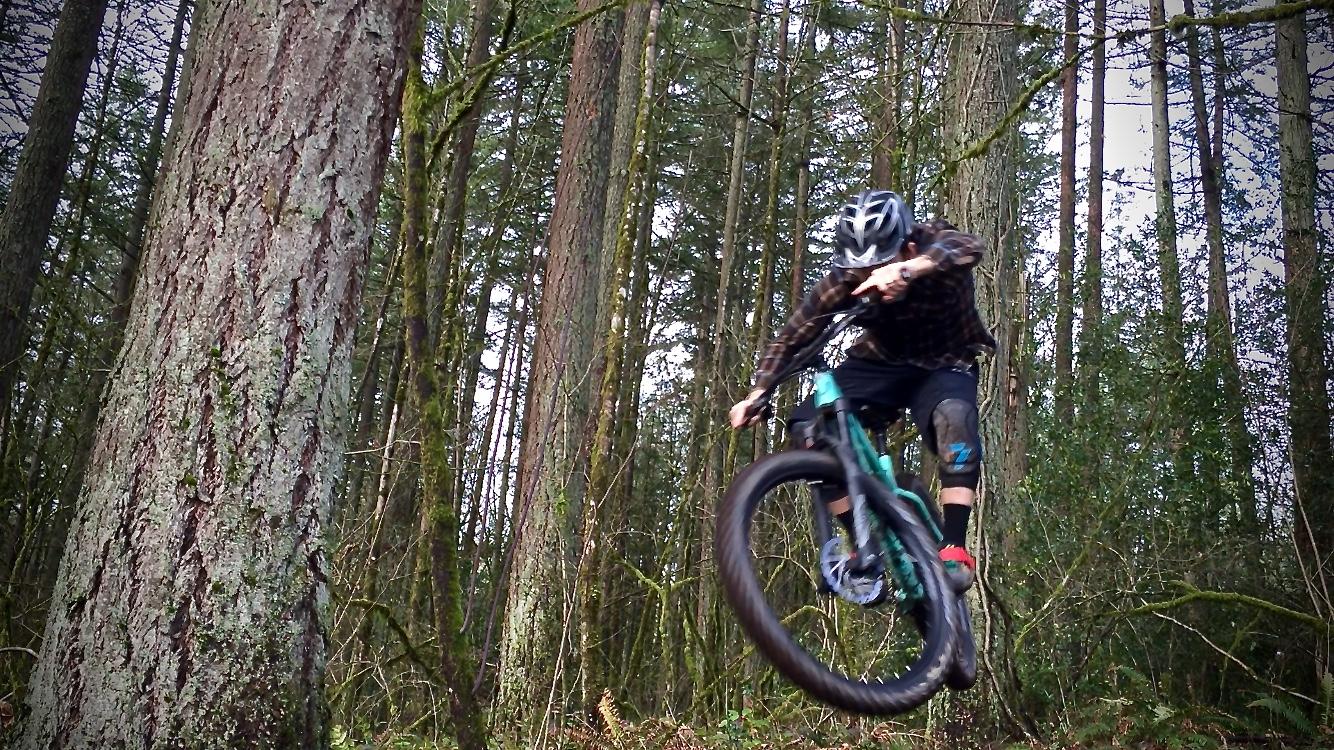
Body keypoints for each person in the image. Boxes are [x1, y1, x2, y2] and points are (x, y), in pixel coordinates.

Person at [728, 189, 995, 584]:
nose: (871, 277)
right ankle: (864, 542)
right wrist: (757, 392)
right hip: (880, 362)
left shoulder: (933, 242)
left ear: (906, 246)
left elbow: (968, 247)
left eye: (882, 265)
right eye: (863, 269)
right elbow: (791, 339)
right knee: (809, 428)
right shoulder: (846, 279)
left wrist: (909, 270)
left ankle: (953, 546)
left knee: (954, 418)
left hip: (945, 362)